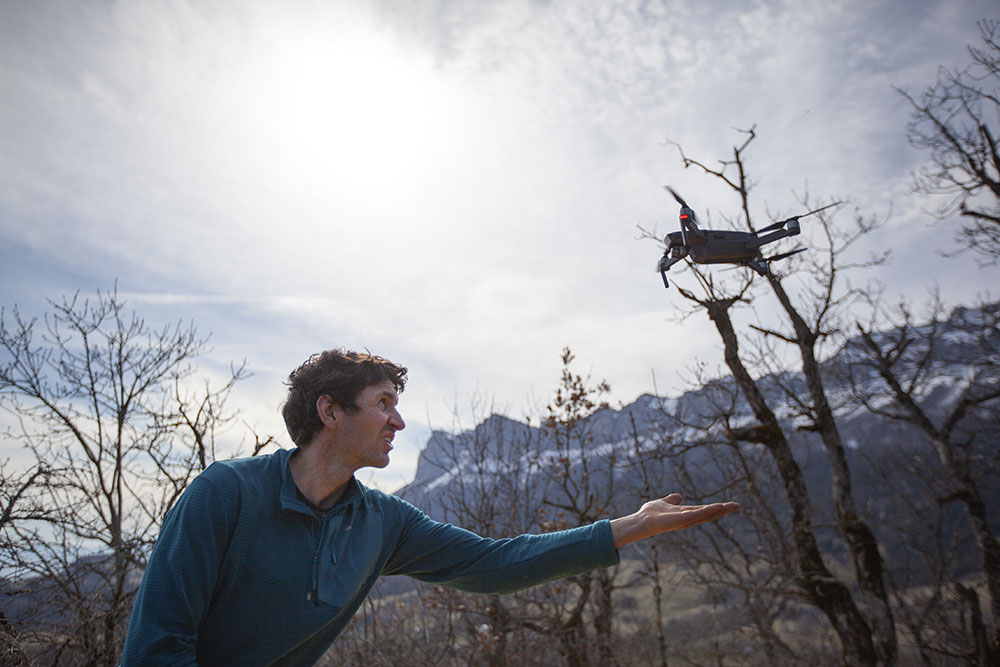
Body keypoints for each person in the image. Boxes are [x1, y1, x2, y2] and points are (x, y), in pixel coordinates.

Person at [121, 349, 739, 665]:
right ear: (331, 411)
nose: (400, 420)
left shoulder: (383, 523)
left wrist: (627, 527)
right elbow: (157, 646)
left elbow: (496, 564)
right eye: (384, 403)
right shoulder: (226, 493)